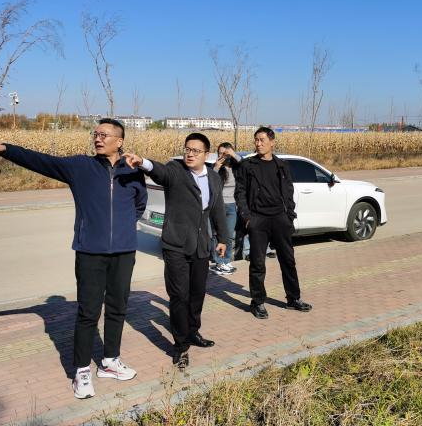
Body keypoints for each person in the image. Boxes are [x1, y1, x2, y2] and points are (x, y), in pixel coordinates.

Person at [0, 119, 147, 400]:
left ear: (120, 141)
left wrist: (124, 228)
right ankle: (81, 371)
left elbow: (139, 204)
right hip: (90, 251)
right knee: (88, 313)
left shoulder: (133, 171)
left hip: (124, 252)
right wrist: (5, 149)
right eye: (95, 134)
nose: (98, 138)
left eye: (104, 134)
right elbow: (40, 161)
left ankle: (110, 361)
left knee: (118, 308)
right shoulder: (80, 167)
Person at [123, 133, 227, 370]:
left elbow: (217, 209)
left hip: (201, 245)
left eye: (195, 151)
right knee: (179, 296)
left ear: (206, 155)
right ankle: (181, 345)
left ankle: (193, 332)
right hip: (176, 245)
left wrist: (222, 238)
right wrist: (143, 162)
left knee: (197, 293)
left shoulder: (213, 176)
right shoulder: (175, 170)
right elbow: (159, 172)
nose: (190, 154)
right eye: (187, 149)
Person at [235, 126, 312, 319]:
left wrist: (289, 215)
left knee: (288, 261)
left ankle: (293, 298)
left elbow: (289, 191)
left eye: (261, 140)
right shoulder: (248, 165)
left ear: (272, 142)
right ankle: (257, 302)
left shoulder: (282, 165)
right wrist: (247, 218)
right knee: (258, 263)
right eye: (256, 140)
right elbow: (240, 192)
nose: (258, 143)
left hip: (280, 219)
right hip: (258, 219)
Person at [210, 142, 241, 275]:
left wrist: (233, 154)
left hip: (232, 206)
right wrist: (216, 168)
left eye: (225, 153)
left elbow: (245, 164)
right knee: (217, 235)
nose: (222, 155)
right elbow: (209, 182)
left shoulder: (237, 168)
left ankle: (226, 261)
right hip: (219, 206)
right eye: (220, 153)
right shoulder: (216, 168)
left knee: (229, 236)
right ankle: (218, 262)